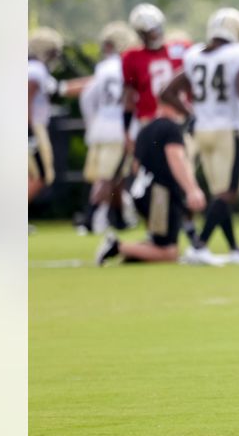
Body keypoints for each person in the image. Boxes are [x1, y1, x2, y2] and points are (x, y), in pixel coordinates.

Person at [160, 8, 239, 264]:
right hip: (227, 130)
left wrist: (191, 113)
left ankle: (233, 248)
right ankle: (200, 246)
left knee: (220, 193)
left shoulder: (196, 56)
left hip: (202, 131)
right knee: (228, 193)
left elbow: (167, 92)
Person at [95, 98, 207, 266]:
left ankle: (135, 254)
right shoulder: (171, 129)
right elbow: (175, 158)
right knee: (169, 252)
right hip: (160, 196)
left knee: (159, 243)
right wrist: (192, 189)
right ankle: (117, 246)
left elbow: (135, 166)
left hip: (143, 192)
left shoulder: (145, 130)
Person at [77, 22, 139, 234]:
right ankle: (89, 218)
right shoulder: (127, 64)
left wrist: (92, 123)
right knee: (108, 175)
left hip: (101, 125)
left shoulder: (103, 67)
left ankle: (119, 219)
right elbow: (132, 99)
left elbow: (87, 97)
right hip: (118, 126)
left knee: (116, 176)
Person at [28, 28, 64, 224]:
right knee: (41, 174)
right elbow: (26, 101)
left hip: (33, 125)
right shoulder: (35, 70)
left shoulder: (34, 68)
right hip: (33, 126)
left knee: (32, 174)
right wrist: (28, 132)